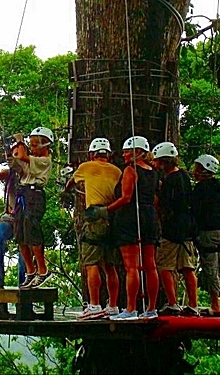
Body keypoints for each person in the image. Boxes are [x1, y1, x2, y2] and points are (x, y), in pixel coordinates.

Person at [91, 135, 159, 320]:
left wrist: (106, 210)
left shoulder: (131, 170)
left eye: (128, 151)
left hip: (131, 217)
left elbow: (126, 197)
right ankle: (151, 308)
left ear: (138, 152)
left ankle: (131, 309)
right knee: (150, 265)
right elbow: (154, 197)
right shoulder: (153, 172)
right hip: (149, 217)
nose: (124, 154)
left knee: (132, 267)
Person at [64, 138, 122, 320]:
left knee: (92, 264)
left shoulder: (86, 167)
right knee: (110, 265)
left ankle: (95, 305)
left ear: (92, 154)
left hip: (95, 217)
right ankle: (112, 305)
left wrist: (67, 189)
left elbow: (71, 183)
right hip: (112, 217)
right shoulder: (117, 171)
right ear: (109, 155)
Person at [152, 142, 199, 316]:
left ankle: (173, 302)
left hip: (172, 230)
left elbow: (163, 205)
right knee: (187, 267)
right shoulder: (185, 176)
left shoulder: (170, 181)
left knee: (164, 266)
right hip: (187, 228)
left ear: (163, 162)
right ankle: (193, 305)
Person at [10, 126, 54, 289]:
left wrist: (20, 141)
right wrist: (14, 145)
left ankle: (42, 270)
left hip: (34, 195)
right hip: (23, 193)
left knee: (31, 228)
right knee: (19, 233)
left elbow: (21, 155)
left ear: (45, 145)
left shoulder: (44, 160)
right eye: (31, 144)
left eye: (35, 145)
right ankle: (30, 271)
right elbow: (17, 157)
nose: (32, 148)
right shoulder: (32, 159)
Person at [191, 154, 220, 317]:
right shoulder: (218, 186)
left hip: (209, 230)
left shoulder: (201, 188)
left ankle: (215, 305)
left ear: (203, 169)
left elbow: (195, 210)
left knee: (210, 267)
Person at [0, 149, 26, 289]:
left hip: (24, 217)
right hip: (9, 216)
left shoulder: (27, 171)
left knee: (24, 247)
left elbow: (24, 171)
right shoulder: (10, 174)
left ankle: (24, 281)